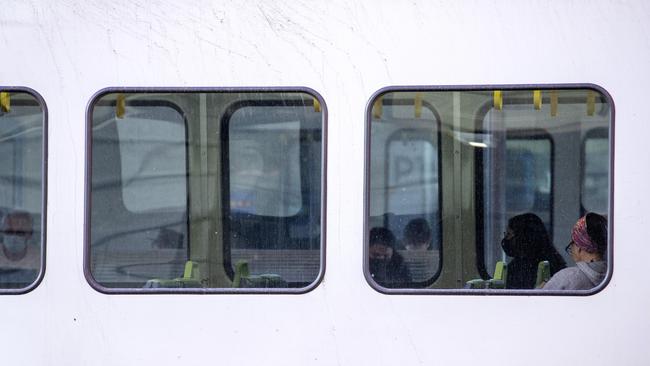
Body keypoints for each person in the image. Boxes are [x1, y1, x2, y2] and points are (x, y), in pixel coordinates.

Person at [543, 213, 607, 290]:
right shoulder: (613, 275)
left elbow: (538, 299)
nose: (571, 249)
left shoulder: (566, 278)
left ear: (579, 247)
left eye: (572, 243)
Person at [501, 213, 566, 289]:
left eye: (509, 234)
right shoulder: (554, 260)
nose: (506, 238)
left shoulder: (520, 268)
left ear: (522, 237)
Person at [0, 211, 40, 287]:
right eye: (9, 232)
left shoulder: (39, 258)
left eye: (20, 233)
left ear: (30, 234)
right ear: (2, 232)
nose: (14, 237)